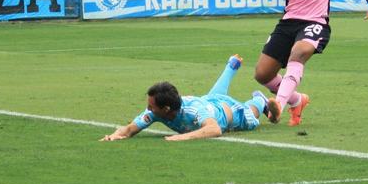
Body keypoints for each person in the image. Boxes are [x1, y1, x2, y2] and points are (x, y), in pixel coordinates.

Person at [100, 55, 267, 142]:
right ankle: (231, 67)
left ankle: (261, 100)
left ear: (166, 109)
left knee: (252, 113)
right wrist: (115, 135)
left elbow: (214, 129)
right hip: (209, 102)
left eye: (151, 107)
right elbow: (130, 129)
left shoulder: (193, 110)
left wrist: (182, 137)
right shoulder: (155, 112)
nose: (148, 109)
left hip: (232, 113)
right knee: (213, 97)